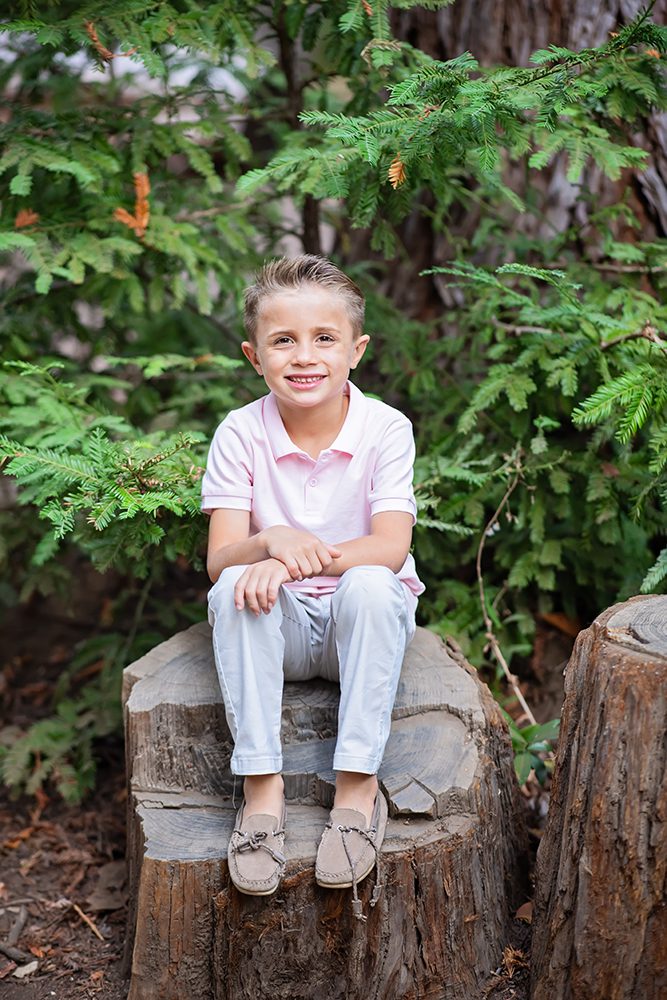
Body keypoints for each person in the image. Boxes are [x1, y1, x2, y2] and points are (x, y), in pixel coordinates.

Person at [202, 254, 424, 920]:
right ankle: (262, 795)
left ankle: (355, 791)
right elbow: (219, 560)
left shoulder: (385, 429)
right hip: (288, 627)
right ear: (253, 355)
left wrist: (299, 558)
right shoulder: (240, 432)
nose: (304, 357)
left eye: (323, 338)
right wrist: (269, 545)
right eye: (282, 340)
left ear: (355, 350)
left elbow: (389, 547)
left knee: (369, 584)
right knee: (233, 589)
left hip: (363, 627)